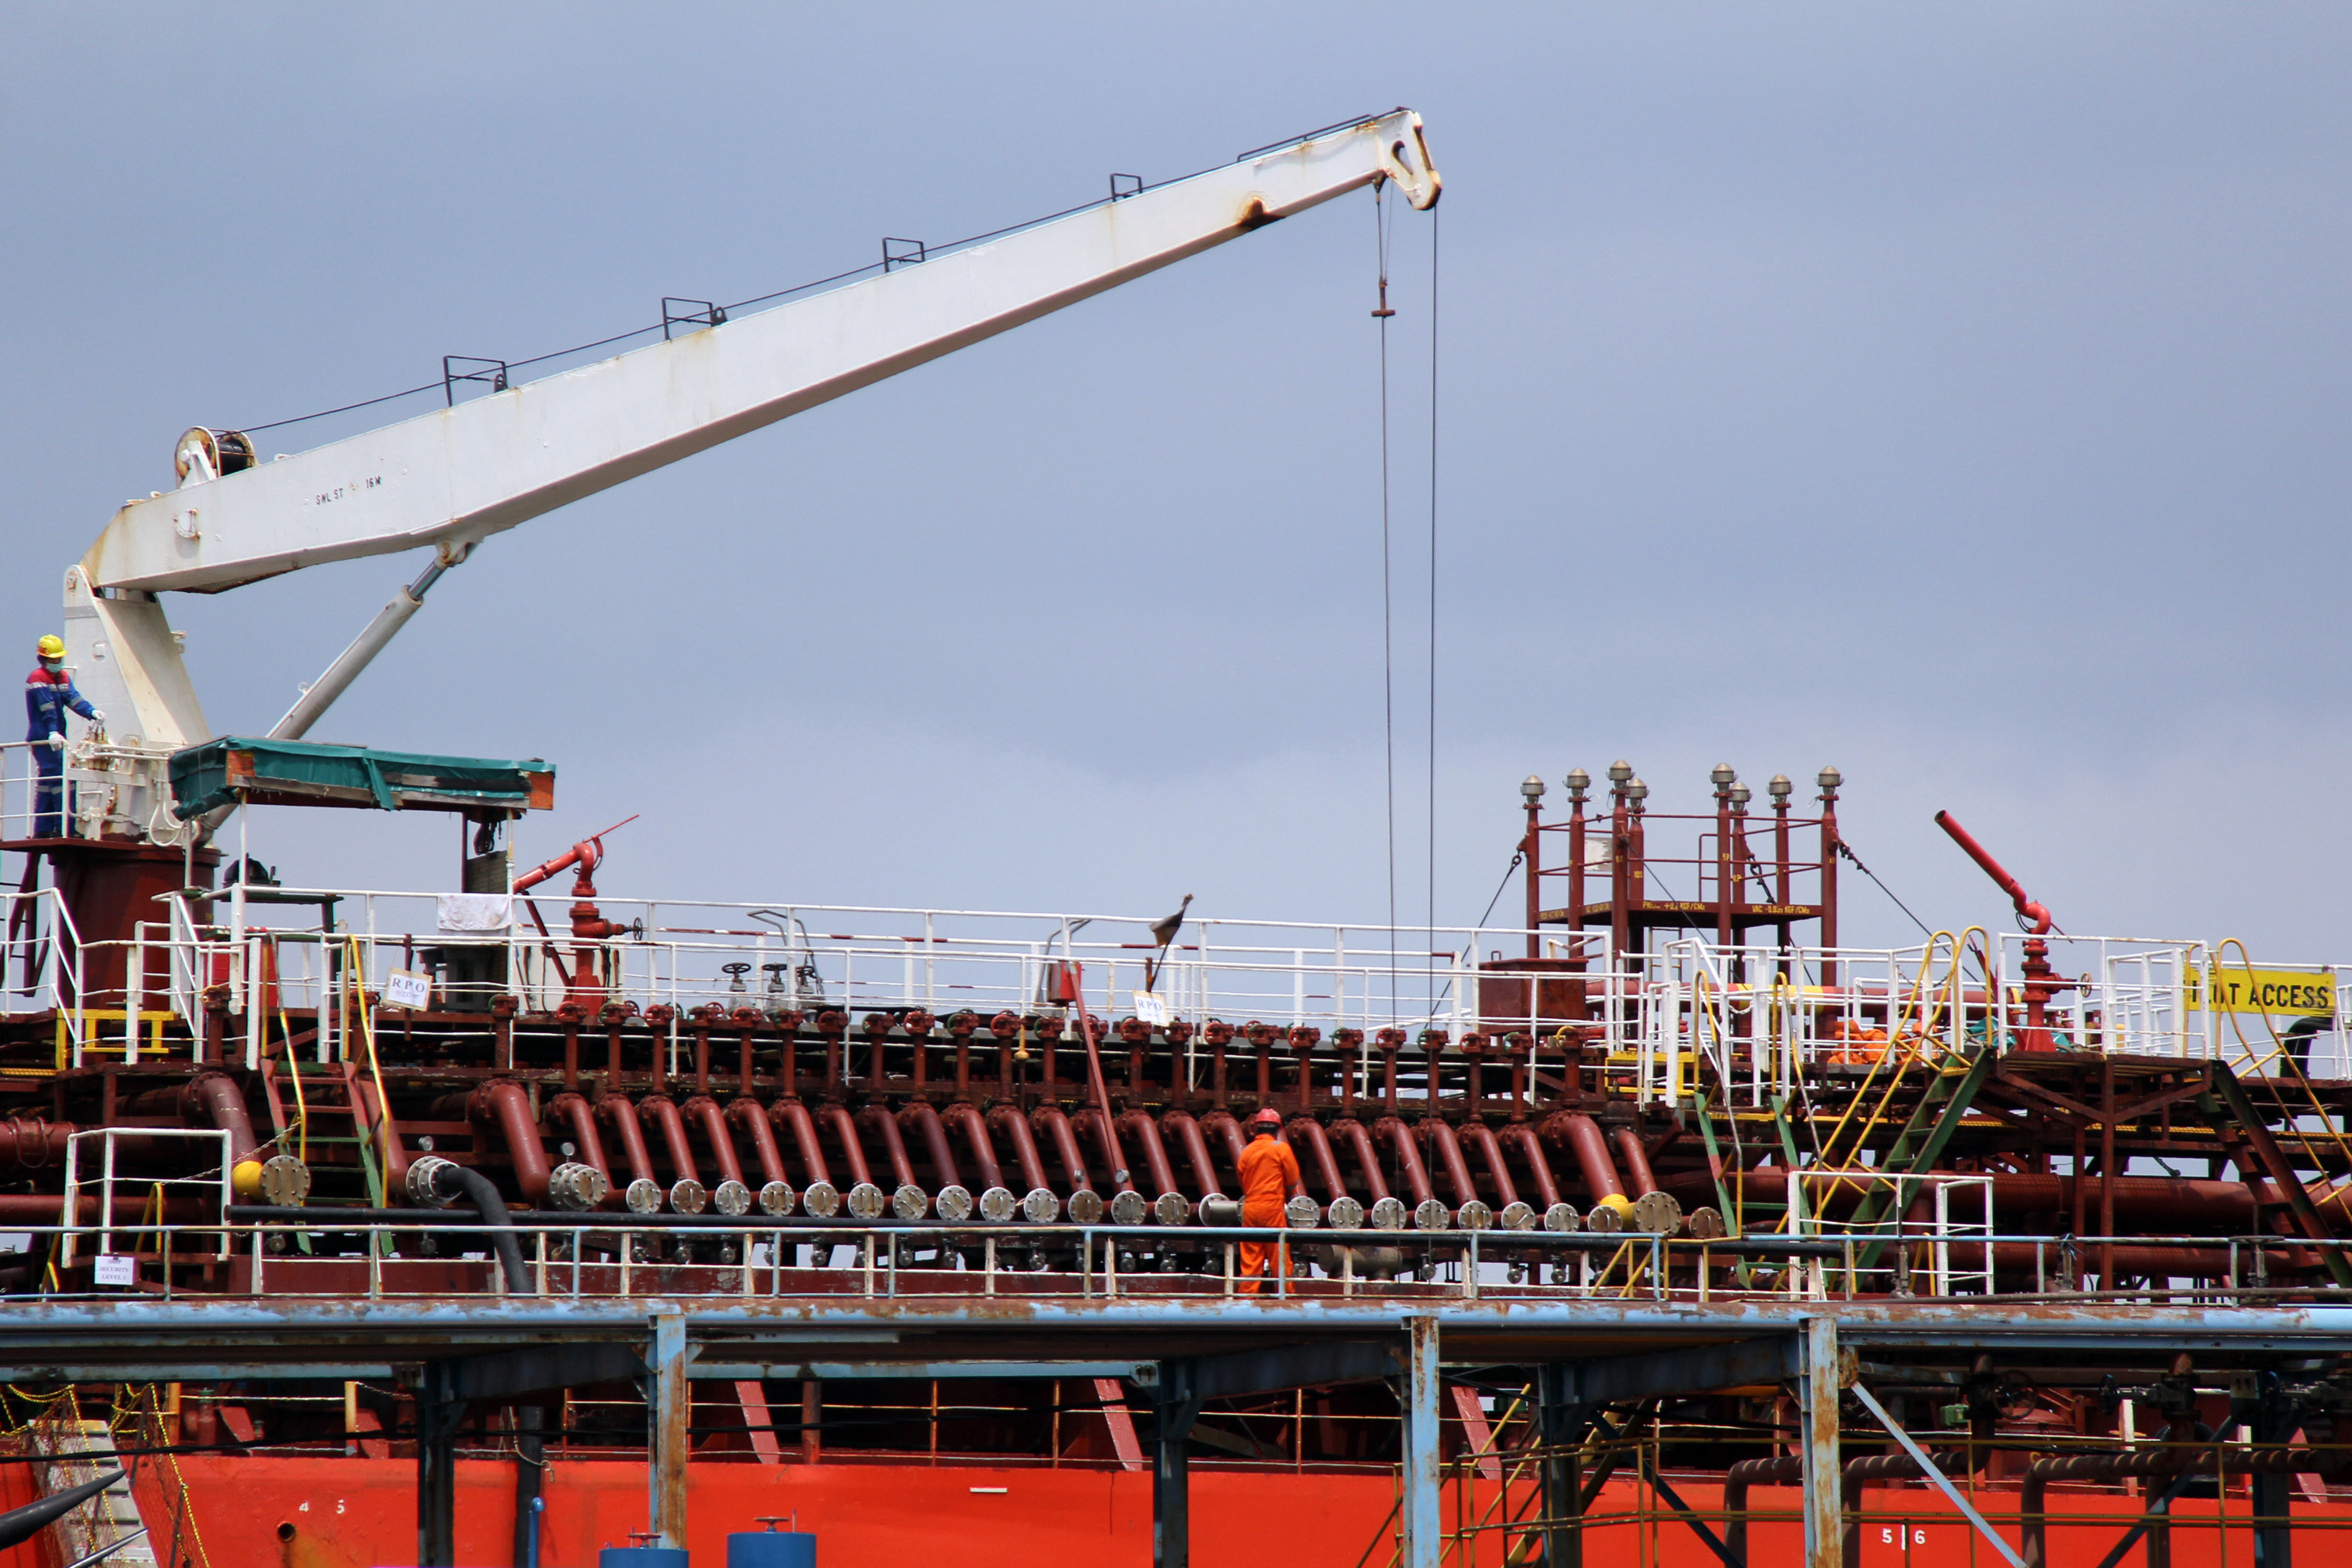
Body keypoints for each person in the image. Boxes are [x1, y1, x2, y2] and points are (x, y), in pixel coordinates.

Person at [25, 636, 100, 839]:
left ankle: (42, 828)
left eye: (60, 659)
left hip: (55, 735)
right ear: (43, 659)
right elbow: (47, 708)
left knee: (48, 780)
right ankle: (65, 826)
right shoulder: (37, 678)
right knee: (60, 777)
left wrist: (92, 712)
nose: (58, 663)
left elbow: (73, 699)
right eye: (54, 660)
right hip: (44, 736)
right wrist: (52, 732)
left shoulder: (63, 678)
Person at [1236, 1106, 1302, 1295]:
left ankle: (1246, 1300)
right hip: (1272, 1207)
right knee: (1278, 1254)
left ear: (1256, 1129)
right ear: (1278, 1129)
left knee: (1250, 1258)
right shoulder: (1280, 1148)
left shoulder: (1247, 1151)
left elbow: (1242, 1177)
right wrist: (1290, 1192)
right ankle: (1285, 1296)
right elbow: (1292, 1177)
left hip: (1250, 1208)